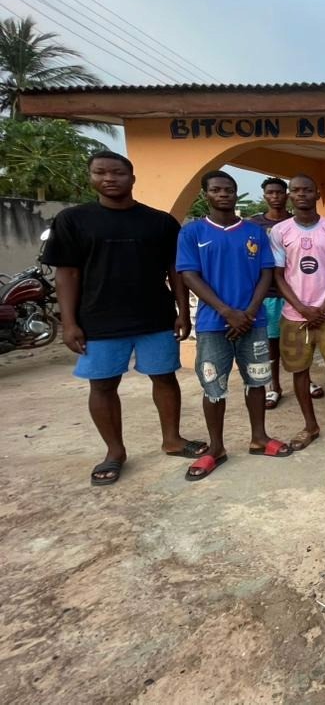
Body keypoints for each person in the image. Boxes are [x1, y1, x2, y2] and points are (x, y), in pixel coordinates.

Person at [42, 151, 203, 486]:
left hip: (155, 316)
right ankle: (114, 451)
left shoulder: (159, 222)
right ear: (91, 177)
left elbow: (176, 271)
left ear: (132, 178)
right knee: (102, 385)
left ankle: (172, 439)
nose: (109, 179)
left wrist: (182, 311)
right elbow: (66, 274)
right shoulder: (73, 220)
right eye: (100, 172)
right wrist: (69, 322)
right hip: (98, 319)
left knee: (164, 377)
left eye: (117, 173)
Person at [176, 171, 293, 479]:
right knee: (213, 386)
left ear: (236, 192)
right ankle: (216, 448)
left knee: (257, 380)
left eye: (229, 189)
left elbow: (267, 273)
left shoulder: (254, 232)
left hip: (253, 322)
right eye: (216, 190)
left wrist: (249, 312)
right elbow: (189, 275)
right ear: (206, 195)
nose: (223, 194)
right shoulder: (193, 233)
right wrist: (227, 311)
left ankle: (259, 438)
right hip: (213, 324)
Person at [269, 174, 325, 450]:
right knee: (299, 371)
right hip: (295, 317)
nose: (301, 194)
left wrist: (324, 306)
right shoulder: (280, 232)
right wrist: (303, 308)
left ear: (317, 193)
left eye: (307, 190)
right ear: (289, 195)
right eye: (295, 190)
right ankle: (310, 426)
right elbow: (278, 276)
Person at [249, 176, 325, 407]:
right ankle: (275, 386)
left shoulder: (298, 223)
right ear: (265, 196)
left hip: (298, 296)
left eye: (279, 192)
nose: (275, 197)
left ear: (286, 195)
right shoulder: (255, 225)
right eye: (270, 193)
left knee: (302, 342)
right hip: (270, 294)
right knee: (272, 343)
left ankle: (307, 380)